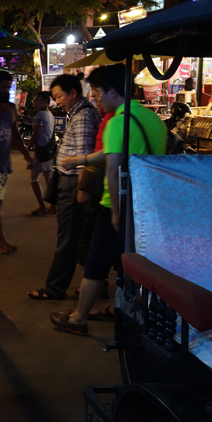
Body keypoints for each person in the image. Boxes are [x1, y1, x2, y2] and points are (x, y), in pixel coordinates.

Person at [50, 64, 166, 334]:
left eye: (99, 91)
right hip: (147, 203)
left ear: (114, 91)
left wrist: (115, 211)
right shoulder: (150, 119)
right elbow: (116, 154)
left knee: (96, 263)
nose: (96, 97)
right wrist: (81, 159)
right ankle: (134, 312)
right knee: (137, 264)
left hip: (116, 204)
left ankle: (78, 319)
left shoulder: (118, 122)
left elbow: (113, 169)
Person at [28, 74, 100, 299]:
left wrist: (81, 189)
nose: (56, 101)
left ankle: (55, 288)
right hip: (69, 181)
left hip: (73, 184)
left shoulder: (84, 117)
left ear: (73, 93)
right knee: (80, 237)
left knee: (68, 237)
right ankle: (95, 285)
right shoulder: (78, 114)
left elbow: (83, 157)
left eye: (59, 96)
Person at [0, 71, 33, 254]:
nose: (6, 90)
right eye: (3, 87)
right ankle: (3, 243)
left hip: (3, 164)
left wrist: (26, 155)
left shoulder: (12, 109)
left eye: (8, 87)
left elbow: (15, 136)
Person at [26, 91, 56, 216]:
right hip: (49, 151)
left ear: (46, 102)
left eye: (38, 100)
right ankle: (53, 206)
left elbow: (36, 133)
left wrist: (27, 148)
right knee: (48, 178)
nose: (35, 103)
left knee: (34, 178)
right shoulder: (50, 115)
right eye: (34, 101)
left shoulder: (40, 115)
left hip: (41, 151)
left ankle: (42, 207)